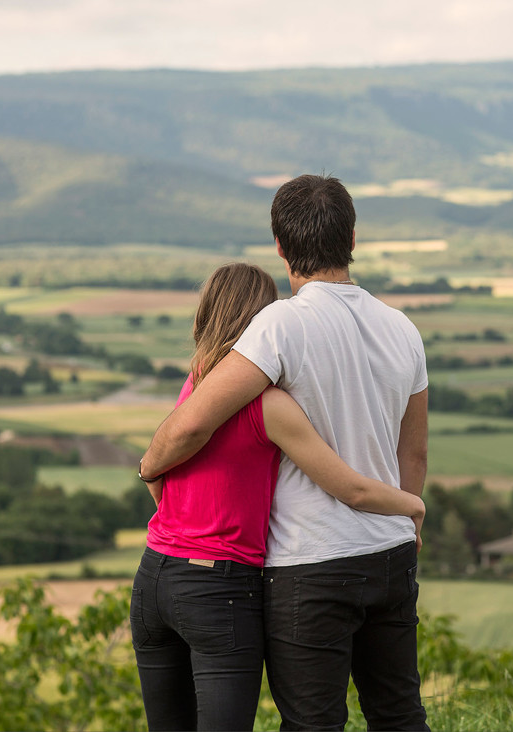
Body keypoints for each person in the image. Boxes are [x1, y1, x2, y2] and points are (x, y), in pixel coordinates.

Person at [140, 174, 430, 731]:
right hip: (392, 554)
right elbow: (411, 455)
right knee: (398, 715)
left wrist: (149, 466)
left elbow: (192, 423)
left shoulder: (279, 325)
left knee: (313, 724)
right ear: (352, 238)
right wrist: (405, 514)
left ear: (280, 245)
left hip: (310, 564)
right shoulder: (403, 329)